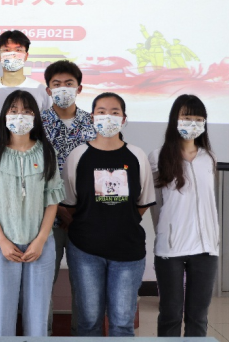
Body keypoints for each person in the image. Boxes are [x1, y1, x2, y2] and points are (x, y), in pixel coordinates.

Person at [61, 92, 156, 337]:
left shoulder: (136, 155)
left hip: (128, 251)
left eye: (115, 112)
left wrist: (120, 221)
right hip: (85, 251)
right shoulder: (78, 155)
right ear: (92, 117)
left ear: (123, 119)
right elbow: (70, 203)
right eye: (101, 112)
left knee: (122, 324)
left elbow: (143, 202)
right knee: (89, 322)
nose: (108, 117)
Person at [0, 90, 63, 337]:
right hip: (1, 245)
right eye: (14, 110)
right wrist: (3, 241)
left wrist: (40, 240)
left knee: (38, 315)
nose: (20, 116)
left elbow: (52, 200)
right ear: (5, 116)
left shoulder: (46, 152)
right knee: (1, 313)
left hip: (40, 244)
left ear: (35, 117)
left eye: (26, 111)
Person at [148, 95, 219, 337]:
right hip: (171, 249)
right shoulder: (158, 156)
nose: (193, 123)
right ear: (175, 119)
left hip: (206, 249)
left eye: (199, 118)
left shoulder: (208, 158)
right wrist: (165, 233)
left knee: (198, 317)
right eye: (187, 117)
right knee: (170, 314)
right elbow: (156, 204)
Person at [40, 60, 96, 336]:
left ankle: (81, 337)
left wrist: (75, 209)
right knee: (42, 284)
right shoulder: (36, 124)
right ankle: (43, 335)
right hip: (44, 218)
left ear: (79, 88)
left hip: (85, 218)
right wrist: (58, 207)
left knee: (85, 286)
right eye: (57, 84)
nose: (63, 89)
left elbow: (104, 168)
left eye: (69, 84)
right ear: (48, 89)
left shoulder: (94, 123)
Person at [0, 30, 52, 117]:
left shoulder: (40, 89)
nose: (12, 54)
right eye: (6, 50)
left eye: (18, 50)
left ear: (26, 56)